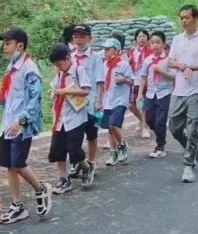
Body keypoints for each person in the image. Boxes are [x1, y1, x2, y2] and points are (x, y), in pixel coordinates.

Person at [0, 28, 52, 224]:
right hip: (7, 124)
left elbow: (35, 99)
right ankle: (17, 206)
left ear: (20, 46)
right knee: (9, 165)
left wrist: (22, 120)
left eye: (7, 43)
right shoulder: (11, 68)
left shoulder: (30, 69)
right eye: (4, 43)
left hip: (21, 126)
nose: (4, 47)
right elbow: (10, 96)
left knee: (18, 163)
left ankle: (41, 188)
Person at [167, 5, 198, 183]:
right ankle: (193, 147)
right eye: (181, 18)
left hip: (197, 89)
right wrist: (179, 65)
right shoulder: (177, 39)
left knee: (193, 126)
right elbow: (170, 60)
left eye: (187, 17)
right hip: (179, 89)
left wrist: (191, 67)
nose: (184, 21)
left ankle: (188, 165)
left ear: (195, 18)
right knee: (173, 127)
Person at [47, 43, 93, 194]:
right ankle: (63, 179)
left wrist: (66, 91)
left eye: (60, 64)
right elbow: (54, 88)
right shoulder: (59, 74)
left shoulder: (78, 70)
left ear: (67, 58)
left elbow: (86, 90)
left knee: (74, 150)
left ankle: (85, 166)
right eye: (56, 65)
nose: (58, 67)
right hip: (59, 118)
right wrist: (53, 92)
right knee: (57, 149)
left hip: (75, 118)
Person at [70, 24, 104, 179]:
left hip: (90, 103)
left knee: (91, 135)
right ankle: (77, 162)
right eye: (76, 36)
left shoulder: (95, 57)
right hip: (72, 103)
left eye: (82, 36)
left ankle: (90, 162)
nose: (79, 40)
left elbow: (100, 81)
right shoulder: (69, 57)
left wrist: (99, 100)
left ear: (89, 38)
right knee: (74, 135)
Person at [139, 30, 174, 158]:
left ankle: (160, 145)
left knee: (160, 120)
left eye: (158, 42)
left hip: (164, 93)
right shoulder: (148, 60)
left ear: (164, 44)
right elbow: (143, 77)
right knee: (149, 119)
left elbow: (173, 77)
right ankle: (161, 133)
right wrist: (139, 94)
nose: (155, 45)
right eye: (152, 42)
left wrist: (160, 70)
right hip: (150, 94)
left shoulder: (169, 60)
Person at [101, 38, 134, 167]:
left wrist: (124, 79)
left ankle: (122, 144)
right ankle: (113, 152)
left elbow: (132, 81)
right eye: (104, 49)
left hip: (120, 99)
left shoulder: (123, 64)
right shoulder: (105, 65)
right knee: (109, 128)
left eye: (108, 49)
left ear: (116, 50)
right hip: (107, 99)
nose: (105, 52)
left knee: (114, 124)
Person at [127, 28, 151, 139]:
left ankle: (145, 127)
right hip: (133, 81)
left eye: (144, 37)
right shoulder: (131, 51)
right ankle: (143, 121)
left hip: (145, 81)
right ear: (136, 38)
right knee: (131, 105)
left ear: (147, 39)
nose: (142, 39)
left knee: (143, 106)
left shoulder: (150, 50)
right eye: (140, 36)